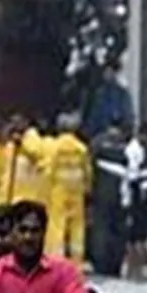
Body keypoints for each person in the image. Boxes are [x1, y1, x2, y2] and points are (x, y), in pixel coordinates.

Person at [43, 113, 93, 265]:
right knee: (77, 228)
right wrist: (87, 189)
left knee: (57, 226)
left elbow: (48, 170)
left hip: (58, 191)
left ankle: (56, 262)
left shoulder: (54, 147)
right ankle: (76, 264)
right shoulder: (81, 148)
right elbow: (87, 171)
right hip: (76, 192)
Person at [89, 117, 130, 276]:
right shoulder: (126, 145)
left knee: (101, 228)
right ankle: (115, 265)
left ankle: (101, 264)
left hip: (101, 193)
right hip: (121, 194)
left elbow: (90, 165)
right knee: (118, 230)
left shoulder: (98, 142)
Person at [123, 121, 147, 280]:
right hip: (134, 196)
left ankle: (135, 271)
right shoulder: (134, 151)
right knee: (136, 235)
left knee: (137, 235)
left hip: (139, 195)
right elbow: (133, 177)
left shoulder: (140, 150)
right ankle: (135, 271)